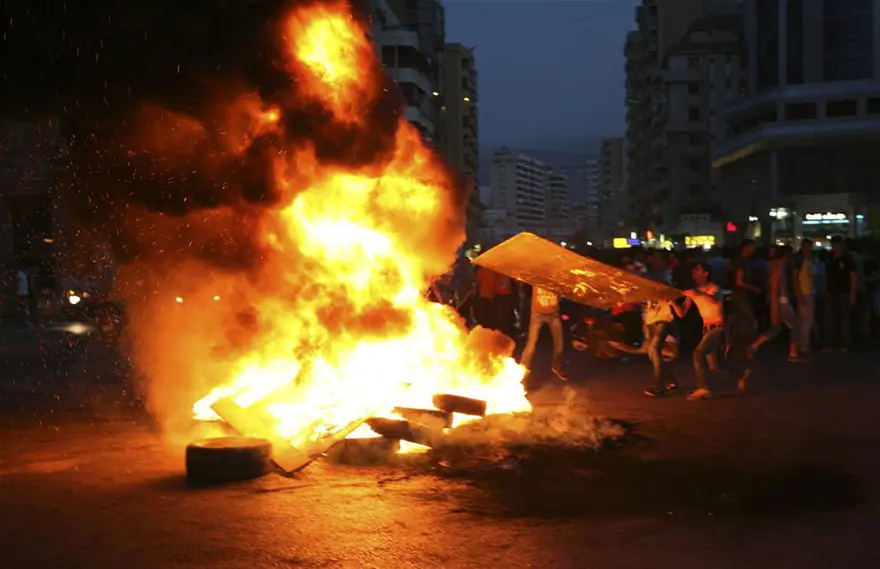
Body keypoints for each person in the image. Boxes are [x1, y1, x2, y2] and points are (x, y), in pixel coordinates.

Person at [672, 262, 744, 400]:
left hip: (717, 327)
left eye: (697, 269)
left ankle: (703, 388)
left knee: (698, 353)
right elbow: (682, 313)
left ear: (706, 273)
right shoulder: (693, 292)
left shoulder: (714, 288)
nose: (694, 271)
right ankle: (741, 374)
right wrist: (672, 302)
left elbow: (713, 301)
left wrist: (696, 293)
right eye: (694, 269)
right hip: (706, 329)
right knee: (714, 367)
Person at [748, 246, 804, 361]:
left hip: (778, 301)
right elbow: (774, 288)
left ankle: (754, 346)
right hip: (781, 302)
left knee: (776, 328)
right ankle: (793, 354)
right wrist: (776, 305)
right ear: (786, 256)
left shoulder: (773, 266)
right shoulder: (778, 268)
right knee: (795, 326)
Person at [520, 286, 568, 381]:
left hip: (553, 313)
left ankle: (557, 366)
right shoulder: (537, 279)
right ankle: (522, 373)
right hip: (538, 314)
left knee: (559, 342)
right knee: (531, 344)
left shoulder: (557, 280)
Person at [823, 235, 856, 353]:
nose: (835, 247)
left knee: (843, 319)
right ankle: (831, 343)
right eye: (834, 245)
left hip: (844, 292)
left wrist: (852, 293)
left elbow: (852, 276)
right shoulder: (830, 258)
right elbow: (826, 275)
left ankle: (844, 344)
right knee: (830, 319)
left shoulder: (847, 258)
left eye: (837, 245)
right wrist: (826, 289)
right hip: (831, 292)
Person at [792, 239, 817, 354]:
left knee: (804, 320)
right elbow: (795, 279)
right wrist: (799, 295)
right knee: (807, 320)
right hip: (804, 293)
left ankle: (800, 344)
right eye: (806, 247)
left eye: (810, 247)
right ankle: (803, 345)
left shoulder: (809, 260)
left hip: (809, 291)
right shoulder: (800, 261)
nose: (808, 249)